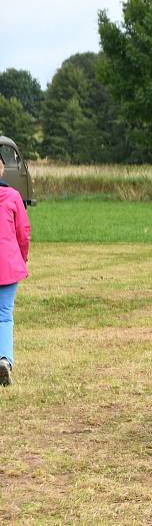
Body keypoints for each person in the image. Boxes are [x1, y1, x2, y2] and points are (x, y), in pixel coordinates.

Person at [0, 155, 30, 386]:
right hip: (8, 265)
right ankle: (4, 360)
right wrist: (22, 258)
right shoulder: (13, 197)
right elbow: (23, 233)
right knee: (4, 316)